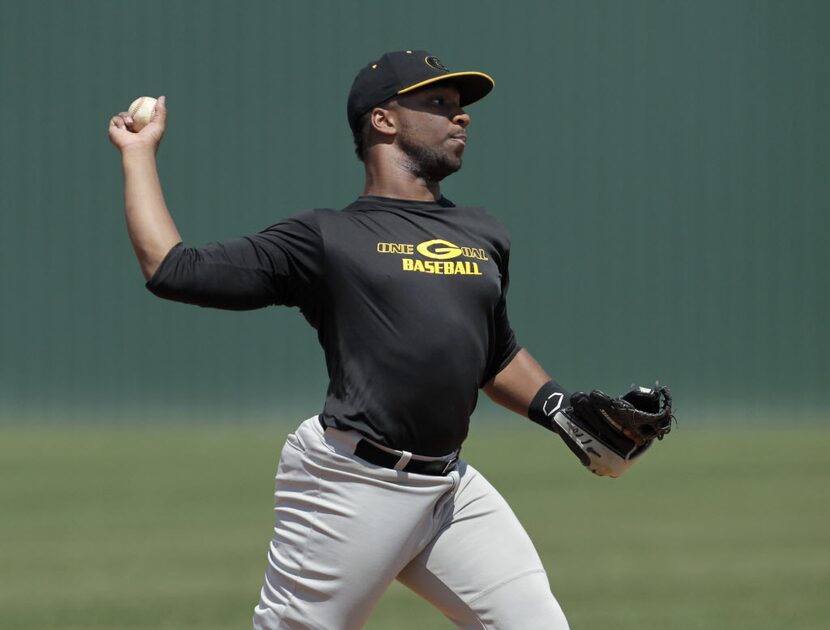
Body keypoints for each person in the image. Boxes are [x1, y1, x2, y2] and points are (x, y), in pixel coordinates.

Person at [109, 50, 644, 630]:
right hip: (350, 486)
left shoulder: (482, 232)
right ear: (383, 121)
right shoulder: (327, 237)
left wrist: (561, 410)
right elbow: (172, 268)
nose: (460, 118)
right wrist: (139, 155)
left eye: (461, 108)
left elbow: (493, 353)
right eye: (438, 104)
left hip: (449, 490)